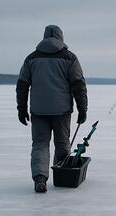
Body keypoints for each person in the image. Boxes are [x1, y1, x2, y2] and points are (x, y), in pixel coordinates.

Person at [16, 25, 88, 193]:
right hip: (62, 111)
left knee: (40, 144)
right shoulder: (70, 58)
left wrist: (22, 109)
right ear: (60, 37)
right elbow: (79, 85)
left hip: (39, 111)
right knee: (62, 143)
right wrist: (82, 108)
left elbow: (22, 85)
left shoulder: (31, 58)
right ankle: (62, 176)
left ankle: (40, 178)